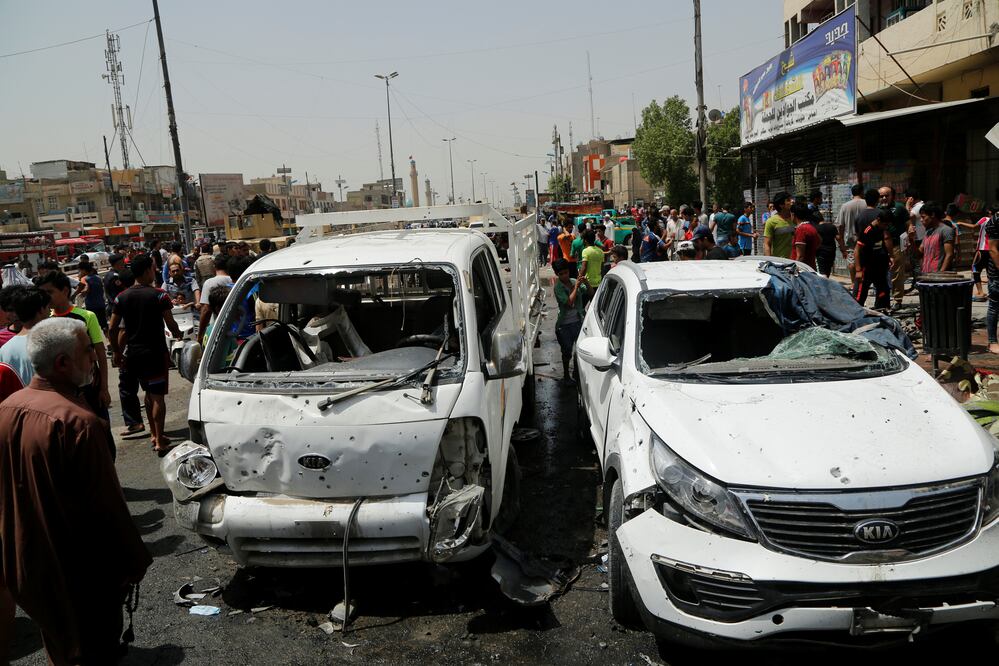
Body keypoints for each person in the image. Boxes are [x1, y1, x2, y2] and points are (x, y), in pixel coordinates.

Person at [0, 317, 152, 665]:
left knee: (59, 644)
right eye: (88, 351)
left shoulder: (5, 410)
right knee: (91, 649)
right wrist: (134, 562)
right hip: (78, 572)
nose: (95, 360)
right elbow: (108, 508)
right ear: (63, 363)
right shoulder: (79, 424)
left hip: (26, 565)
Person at [109, 254, 183, 456]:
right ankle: (159, 439)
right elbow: (170, 323)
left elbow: (112, 328)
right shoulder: (159, 295)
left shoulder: (121, 297)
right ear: (147, 271)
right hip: (155, 353)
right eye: (152, 268)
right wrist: (178, 334)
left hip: (133, 354)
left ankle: (154, 433)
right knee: (157, 397)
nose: (154, 271)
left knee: (148, 396)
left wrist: (116, 351)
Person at [0, 287, 50, 386]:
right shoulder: (51, 341)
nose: (49, 312)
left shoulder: (4, 349)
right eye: (48, 308)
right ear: (41, 310)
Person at [853, 189, 892, 309]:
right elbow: (858, 249)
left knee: (881, 288)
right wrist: (858, 269)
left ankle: (881, 309)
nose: (886, 227)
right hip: (868, 264)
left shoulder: (860, 216)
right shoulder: (871, 227)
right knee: (863, 290)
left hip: (878, 263)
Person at [552, 259, 588, 382]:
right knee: (566, 352)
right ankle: (566, 375)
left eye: (566, 272)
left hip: (578, 322)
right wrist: (576, 286)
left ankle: (576, 373)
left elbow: (590, 292)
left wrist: (586, 282)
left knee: (578, 351)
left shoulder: (573, 281)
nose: (564, 276)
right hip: (564, 325)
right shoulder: (558, 288)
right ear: (557, 274)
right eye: (561, 274)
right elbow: (569, 303)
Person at [836, 184, 867, 283]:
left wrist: (840, 239)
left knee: (851, 260)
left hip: (850, 237)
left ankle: (854, 282)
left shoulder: (845, 206)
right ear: (862, 192)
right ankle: (865, 281)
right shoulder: (867, 203)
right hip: (865, 236)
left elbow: (840, 225)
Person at [198, 254, 234, 338]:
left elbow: (206, 310)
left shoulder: (209, 283)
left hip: (217, 331)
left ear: (214, 266)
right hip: (237, 328)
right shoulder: (236, 280)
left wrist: (200, 335)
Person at [914, 202, 955, 274]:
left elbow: (949, 255)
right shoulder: (928, 232)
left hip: (938, 278)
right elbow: (919, 254)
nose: (921, 220)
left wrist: (940, 274)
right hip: (927, 276)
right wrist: (911, 240)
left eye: (923, 217)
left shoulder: (946, 230)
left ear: (932, 215)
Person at [816, 204, 847, 278]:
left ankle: (825, 286)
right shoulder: (832, 226)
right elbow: (838, 238)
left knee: (822, 271)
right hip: (831, 252)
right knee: (828, 270)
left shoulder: (816, 228)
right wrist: (843, 250)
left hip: (821, 252)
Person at [763, 192, 795, 258]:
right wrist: (769, 261)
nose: (792, 201)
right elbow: (767, 244)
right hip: (779, 262)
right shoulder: (771, 221)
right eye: (788, 200)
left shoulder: (795, 218)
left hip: (796, 262)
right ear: (781, 205)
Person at [984, 212, 999, 353]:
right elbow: (993, 250)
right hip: (997, 274)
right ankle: (992, 341)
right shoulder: (995, 221)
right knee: (994, 306)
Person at [78, 263, 108, 331]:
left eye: (80, 271)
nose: (80, 272)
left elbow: (86, 290)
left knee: (94, 326)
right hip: (101, 303)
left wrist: (80, 293)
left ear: (84, 270)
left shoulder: (86, 279)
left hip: (91, 305)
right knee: (104, 323)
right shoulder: (98, 277)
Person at [790, 202, 820, 270]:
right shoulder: (811, 227)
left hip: (803, 271)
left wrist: (794, 271)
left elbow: (800, 256)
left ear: (793, 214)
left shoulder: (801, 229)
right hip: (810, 267)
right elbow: (819, 241)